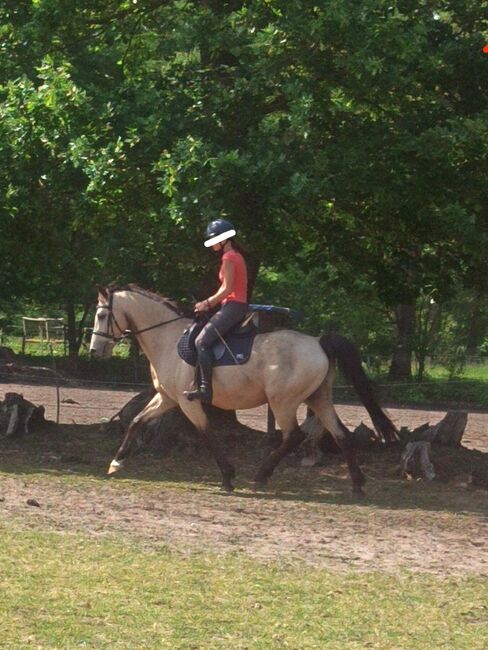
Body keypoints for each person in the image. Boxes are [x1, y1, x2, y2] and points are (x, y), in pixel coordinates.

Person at [184, 219, 248, 403]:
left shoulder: (229, 258)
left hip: (234, 305)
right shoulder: (236, 255)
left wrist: (206, 303)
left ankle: (205, 389)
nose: (212, 244)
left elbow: (227, 289)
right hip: (234, 305)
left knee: (201, 341)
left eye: (214, 239)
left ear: (225, 240)